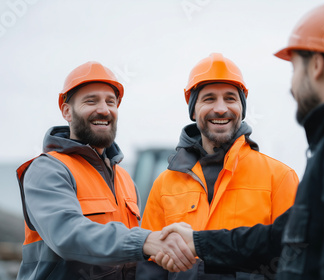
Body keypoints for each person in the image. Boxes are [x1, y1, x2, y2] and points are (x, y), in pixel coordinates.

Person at [157, 3, 324, 280]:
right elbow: (282, 237)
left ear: (317, 65)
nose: (292, 85)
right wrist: (200, 242)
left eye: (295, 68)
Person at [16, 61, 195, 279]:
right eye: (91, 101)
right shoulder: (48, 169)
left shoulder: (125, 179)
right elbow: (67, 234)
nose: (104, 109)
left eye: (111, 102)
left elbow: (133, 256)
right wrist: (146, 241)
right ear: (66, 111)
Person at [136, 53, 299, 279]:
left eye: (231, 98)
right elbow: (150, 266)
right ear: (193, 110)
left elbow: (293, 257)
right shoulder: (164, 185)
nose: (221, 109)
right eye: (209, 98)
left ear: (242, 108)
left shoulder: (280, 178)